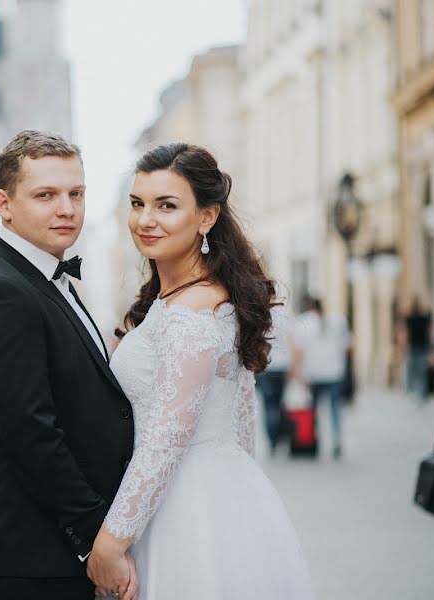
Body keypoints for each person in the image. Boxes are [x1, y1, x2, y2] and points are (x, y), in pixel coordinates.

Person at [87, 143, 313, 599]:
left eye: (166, 205)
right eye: (137, 203)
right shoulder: (191, 298)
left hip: (182, 506)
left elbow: (166, 439)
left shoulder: (192, 313)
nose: (145, 219)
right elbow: (242, 421)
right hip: (220, 493)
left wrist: (112, 541)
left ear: (206, 218)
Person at [0, 130, 135, 600]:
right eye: (45, 195)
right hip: (35, 553)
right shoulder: (3, 293)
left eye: (76, 193)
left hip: (49, 548)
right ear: (4, 204)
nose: (67, 209)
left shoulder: (47, 277)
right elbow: (31, 432)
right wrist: (94, 537)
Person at [290, 296, 352, 459]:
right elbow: (348, 346)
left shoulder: (302, 322)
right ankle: (337, 439)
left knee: (313, 411)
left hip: (313, 374)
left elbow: (298, 351)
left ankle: (315, 442)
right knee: (335, 409)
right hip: (334, 372)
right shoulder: (339, 320)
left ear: (308, 306)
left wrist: (296, 372)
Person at [256, 305, 293, 451]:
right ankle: (279, 435)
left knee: (269, 405)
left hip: (266, 367)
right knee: (278, 404)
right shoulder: (283, 314)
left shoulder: (259, 312)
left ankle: (272, 440)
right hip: (282, 366)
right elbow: (291, 341)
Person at [404, 297, 433, 401]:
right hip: (422, 347)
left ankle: (411, 391)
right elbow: (429, 332)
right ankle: (421, 393)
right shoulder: (424, 318)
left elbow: (406, 334)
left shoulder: (409, 318)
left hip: (414, 346)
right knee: (421, 371)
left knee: (412, 370)